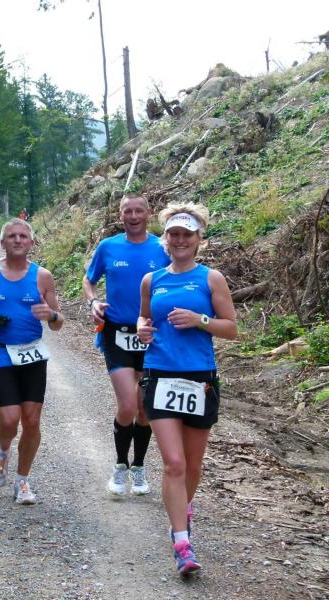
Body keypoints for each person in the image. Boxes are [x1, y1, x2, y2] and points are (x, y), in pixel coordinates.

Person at [137, 203, 236, 575]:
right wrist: (142, 327)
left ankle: (183, 508)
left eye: (187, 235)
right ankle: (181, 542)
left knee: (193, 465)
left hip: (200, 378)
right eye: (174, 234)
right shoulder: (152, 280)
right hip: (160, 374)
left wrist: (200, 319)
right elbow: (144, 316)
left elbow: (231, 328)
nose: (180, 240)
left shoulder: (212, 278)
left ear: (198, 240)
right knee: (174, 463)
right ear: (166, 239)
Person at [0, 218, 63, 505]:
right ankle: (3, 449)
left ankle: (22, 480)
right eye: (12, 236)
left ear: (31, 243)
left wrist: (51, 315)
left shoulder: (43, 276)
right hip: (1, 352)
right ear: (2, 242)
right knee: (9, 421)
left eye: (23, 236)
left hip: (32, 353)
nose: (17, 240)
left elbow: (58, 322)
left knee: (31, 421)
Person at [82, 194, 170, 496]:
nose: (133, 216)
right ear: (120, 215)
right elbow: (89, 279)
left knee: (144, 410)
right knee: (128, 405)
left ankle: (139, 467)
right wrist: (93, 302)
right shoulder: (108, 247)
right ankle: (120, 465)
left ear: (149, 213)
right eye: (127, 211)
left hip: (151, 335)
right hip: (116, 333)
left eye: (138, 211)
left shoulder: (162, 248)